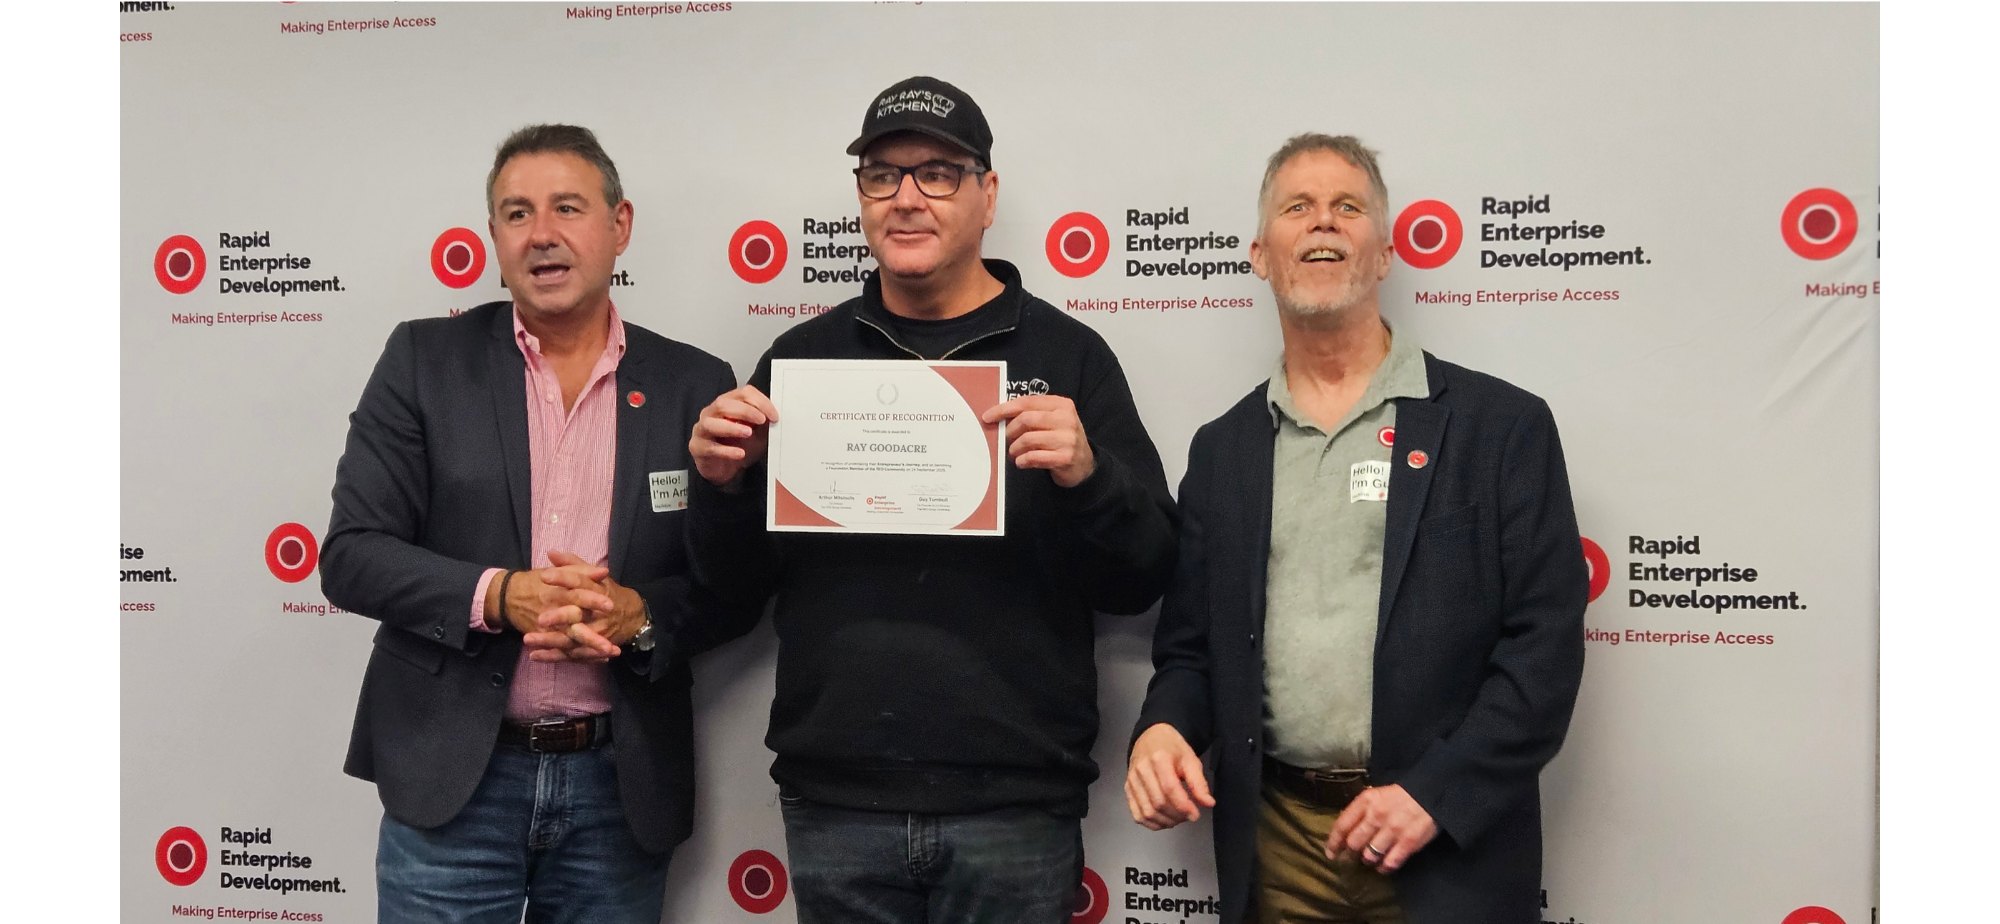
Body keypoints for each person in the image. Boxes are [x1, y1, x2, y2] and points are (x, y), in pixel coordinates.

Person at [685, 76, 1180, 924]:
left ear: (988, 196)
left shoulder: (1070, 357)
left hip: (1016, 803)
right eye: (883, 174)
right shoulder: (802, 360)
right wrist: (724, 485)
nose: (907, 197)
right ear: (862, 199)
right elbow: (733, 589)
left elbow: (1141, 581)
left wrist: (1089, 478)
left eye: (938, 173)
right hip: (837, 797)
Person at [1124, 133, 1588, 924]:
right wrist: (1163, 728)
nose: (1323, 224)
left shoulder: (1501, 428)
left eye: (1348, 207)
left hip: (1443, 847)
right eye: (1296, 208)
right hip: (1277, 846)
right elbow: (1193, 648)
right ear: (1260, 254)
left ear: (1385, 251)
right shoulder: (1224, 449)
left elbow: (1544, 647)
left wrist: (1435, 793)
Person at [320, 124, 757, 924]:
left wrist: (642, 616)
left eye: (568, 207)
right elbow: (351, 556)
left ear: (619, 226)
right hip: (456, 782)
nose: (543, 235)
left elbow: (730, 588)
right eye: (517, 214)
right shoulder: (423, 360)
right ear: (493, 238)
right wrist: (501, 596)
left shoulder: (695, 381)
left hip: (617, 788)